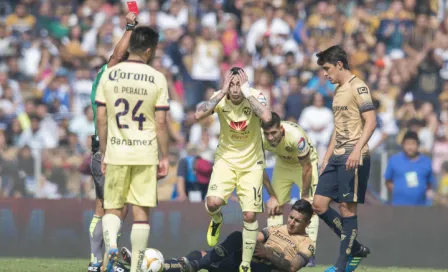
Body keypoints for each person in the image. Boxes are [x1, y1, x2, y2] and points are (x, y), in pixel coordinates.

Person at [95, 26, 170, 272]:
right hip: (145, 153)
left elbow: (102, 118)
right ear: (149, 50)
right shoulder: (157, 78)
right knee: (140, 214)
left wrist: (104, 151)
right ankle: (137, 266)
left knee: (113, 208)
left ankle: (110, 247)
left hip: (116, 151)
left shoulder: (110, 74)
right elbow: (160, 122)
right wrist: (165, 156)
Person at [194, 67, 272, 272]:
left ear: (245, 84)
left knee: (249, 215)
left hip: (252, 164)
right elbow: (198, 114)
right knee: (213, 203)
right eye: (232, 84)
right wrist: (221, 92)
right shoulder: (219, 98)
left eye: (239, 84)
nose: (235, 88)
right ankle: (217, 218)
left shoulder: (255, 96)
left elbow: (267, 117)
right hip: (225, 161)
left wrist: (247, 92)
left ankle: (245, 264)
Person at [312, 45, 375, 272]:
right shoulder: (338, 90)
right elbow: (339, 128)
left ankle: (341, 266)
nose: (325, 74)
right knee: (318, 205)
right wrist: (327, 156)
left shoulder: (358, 87)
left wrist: (358, 149)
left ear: (339, 65)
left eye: (327, 69)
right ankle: (355, 246)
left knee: (347, 210)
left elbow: (371, 121)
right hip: (336, 155)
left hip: (353, 155)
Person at [120, 200, 315, 272]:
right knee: (202, 253)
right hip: (244, 263)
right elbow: (254, 240)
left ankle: (144, 266)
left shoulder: (307, 243)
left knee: (204, 258)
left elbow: (292, 268)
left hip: (265, 268)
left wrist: (267, 254)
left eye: (297, 221)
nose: (291, 223)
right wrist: (255, 246)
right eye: (291, 217)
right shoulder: (277, 229)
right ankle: (146, 267)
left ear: (307, 223)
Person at [87, 12, 137, 272]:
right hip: (109, 154)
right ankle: (110, 262)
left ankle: (96, 263)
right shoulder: (107, 76)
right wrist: (129, 26)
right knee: (117, 210)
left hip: (103, 152)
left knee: (102, 208)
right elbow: (117, 56)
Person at [260, 111, 320, 267]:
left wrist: (305, 196)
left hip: (305, 164)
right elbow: (259, 168)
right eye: (267, 134)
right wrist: (272, 196)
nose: (271, 137)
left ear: (281, 129)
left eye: (274, 133)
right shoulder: (259, 137)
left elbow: (306, 167)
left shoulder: (296, 136)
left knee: (310, 205)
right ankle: (272, 247)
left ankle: (308, 254)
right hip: (284, 164)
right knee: (275, 205)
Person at [385, 131, 436, 206]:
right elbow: (388, 181)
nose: (410, 147)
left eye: (413, 143)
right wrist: (400, 192)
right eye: (407, 144)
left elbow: (429, 183)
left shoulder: (426, 162)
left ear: (418, 145)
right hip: (399, 207)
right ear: (403, 145)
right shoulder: (394, 160)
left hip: (421, 207)